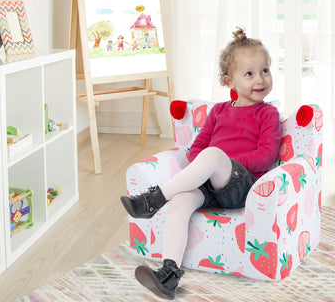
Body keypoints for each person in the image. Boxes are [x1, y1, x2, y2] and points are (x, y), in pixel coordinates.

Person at [120, 27, 282, 300]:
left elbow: (266, 155)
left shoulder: (267, 113)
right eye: (250, 73)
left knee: (214, 154)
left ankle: (153, 200)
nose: (260, 79)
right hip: (210, 182)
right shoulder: (218, 111)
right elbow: (196, 149)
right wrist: (205, 168)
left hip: (241, 186)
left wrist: (222, 163)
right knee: (182, 198)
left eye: (265, 70)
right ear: (229, 81)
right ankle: (169, 274)